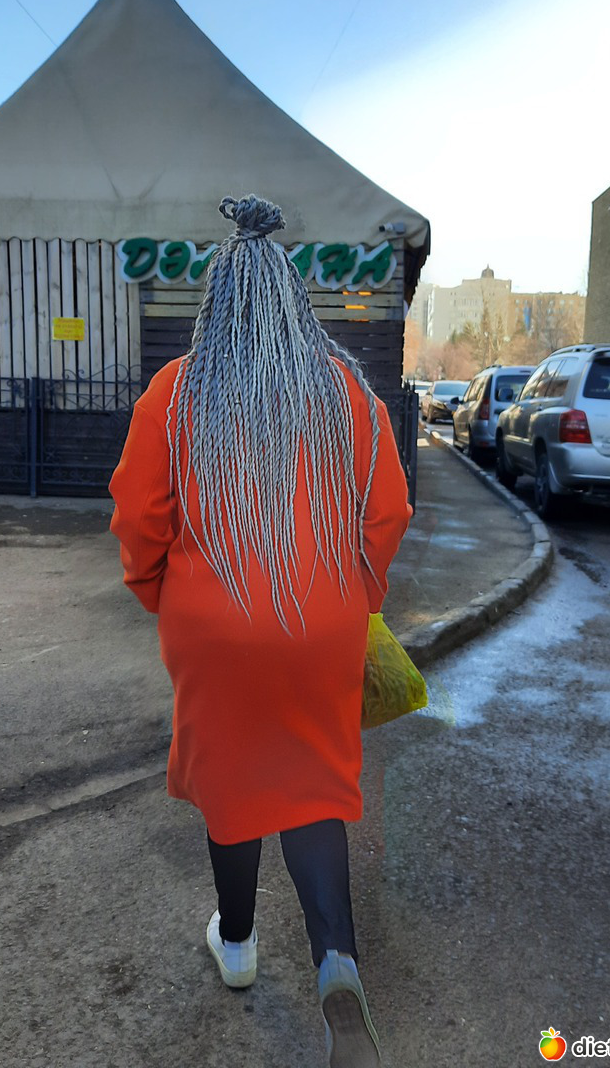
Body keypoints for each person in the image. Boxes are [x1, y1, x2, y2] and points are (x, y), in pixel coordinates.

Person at [109, 194, 413, 1067]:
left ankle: (237, 947)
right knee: (311, 783)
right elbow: (385, 514)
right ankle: (336, 962)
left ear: (218, 302)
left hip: (211, 627)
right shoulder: (349, 395)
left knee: (233, 776)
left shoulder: (176, 392)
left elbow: (139, 517)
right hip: (323, 620)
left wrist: (159, 595)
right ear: (292, 300)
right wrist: (354, 596)